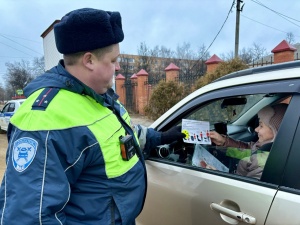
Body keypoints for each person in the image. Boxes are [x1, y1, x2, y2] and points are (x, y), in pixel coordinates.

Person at [0, 8, 185, 225]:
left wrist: (162, 137)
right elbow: (29, 217)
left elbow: (122, 138)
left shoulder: (101, 98)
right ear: (89, 60)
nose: (117, 67)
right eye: (113, 60)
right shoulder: (44, 119)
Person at [209, 103, 288, 179]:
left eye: (261, 126)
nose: (256, 129)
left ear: (276, 130)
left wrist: (218, 176)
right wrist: (223, 141)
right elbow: (249, 151)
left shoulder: (266, 164)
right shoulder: (266, 147)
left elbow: (244, 191)